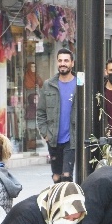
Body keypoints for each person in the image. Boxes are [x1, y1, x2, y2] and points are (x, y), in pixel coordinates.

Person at [37, 48, 78, 182]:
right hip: (53, 139)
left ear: (72, 63)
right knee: (56, 177)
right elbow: (41, 112)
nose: (63, 63)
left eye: (66, 60)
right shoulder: (48, 85)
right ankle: (57, 202)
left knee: (66, 175)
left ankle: (67, 202)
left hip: (71, 139)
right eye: (60, 60)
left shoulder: (79, 84)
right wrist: (45, 133)